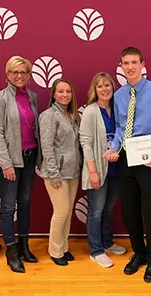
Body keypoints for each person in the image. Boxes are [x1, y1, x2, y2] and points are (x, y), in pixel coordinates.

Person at [103, 47, 151, 283]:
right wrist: (113, 148)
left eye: (134, 62)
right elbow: (122, 128)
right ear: (120, 66)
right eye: (125, 63)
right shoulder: (120, 95)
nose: (130, 67)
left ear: (142, 65)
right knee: (130, 212)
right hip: (126, 160)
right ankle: (139, 253)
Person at [79, 72, 126, 268]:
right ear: (94, 90)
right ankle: (96, 250)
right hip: (97, 169)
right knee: (96, 211)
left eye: (107, 85)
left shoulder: (117, 109)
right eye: (100, 86)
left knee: (108, 209)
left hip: (116, 169)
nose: (104, 89)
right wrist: (92, 172)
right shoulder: (91, 111)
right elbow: (86, 143)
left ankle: (107, 242)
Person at [0, 56, 41, 273]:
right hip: (10, 160)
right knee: (8, 207)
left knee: (25, 202)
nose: (19, 76)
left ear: (28, 75)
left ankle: (25, 245)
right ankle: (12, 251)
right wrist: (5, 163)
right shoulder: (2, 99)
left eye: (23, 72)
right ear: (7, 74)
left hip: (29, 156)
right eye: (15, 72)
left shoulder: (32, 97)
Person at [39, 78, 81, 266]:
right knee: (61, 212)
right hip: (56, 173)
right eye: (61, 91)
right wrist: (54, 173)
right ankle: (55, 251)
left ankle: (64, 247)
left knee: (68, 212)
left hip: (73, 172)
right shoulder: (49, 115)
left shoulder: (72, 115)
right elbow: (46, 146)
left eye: (68, 91)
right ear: (54, 94)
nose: (65, 95)